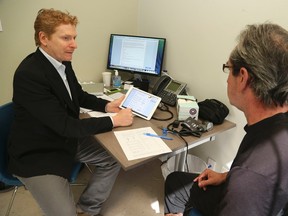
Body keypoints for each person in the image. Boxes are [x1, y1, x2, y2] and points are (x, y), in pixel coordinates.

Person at [8, 8, 134, 216]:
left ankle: (86, 208)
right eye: (66, 38)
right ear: (44, 38)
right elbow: (66, 125)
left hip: (63, 140)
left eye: (74, 37)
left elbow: (78, 94)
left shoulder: (62, 62)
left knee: (114, 158)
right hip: (38, 153)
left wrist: (106, 106)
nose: (74, 44)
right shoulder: (29, 75)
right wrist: (114, 121)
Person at [164, 23, 288, 216]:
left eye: (228, 68)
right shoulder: (275, 125)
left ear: (243, 78)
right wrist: (228, 176)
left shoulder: (248, 183)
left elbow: (254, 183)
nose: (227, 79)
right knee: (175, 181)